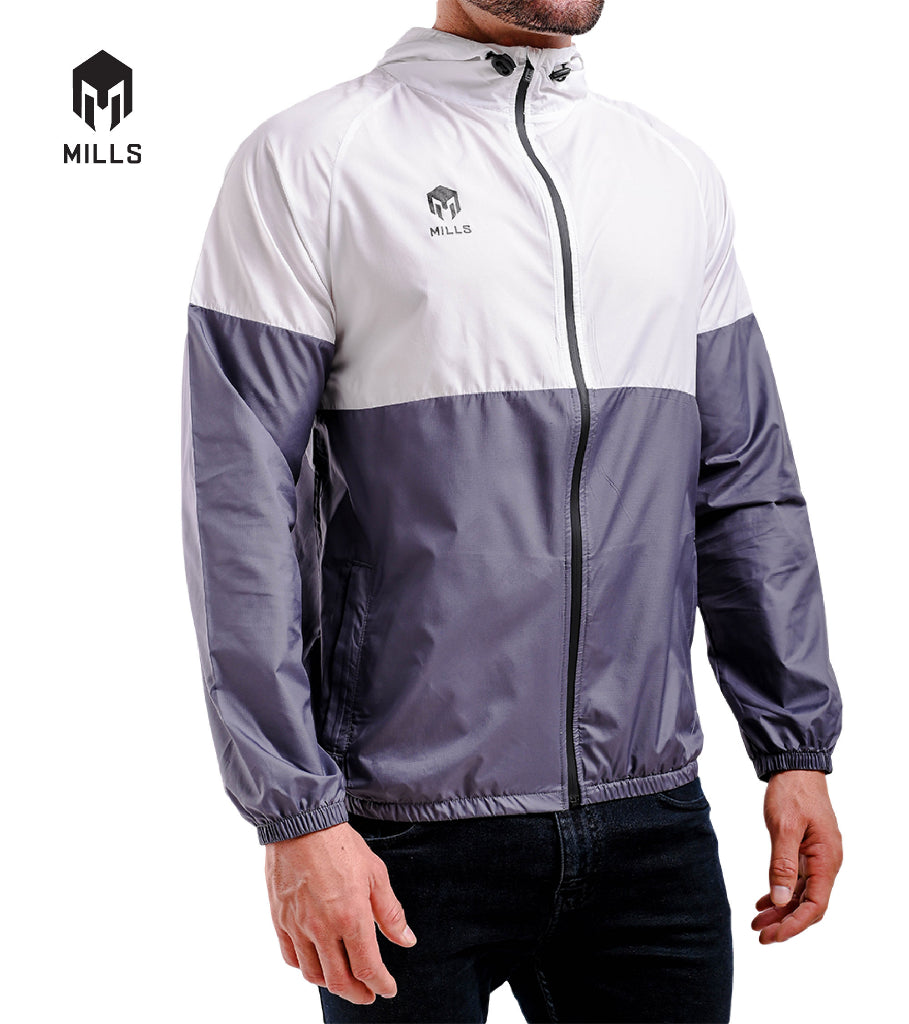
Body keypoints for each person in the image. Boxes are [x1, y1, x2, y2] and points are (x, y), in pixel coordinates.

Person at [179, 1, 844, 1020]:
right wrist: (295, 814)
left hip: (650, 821)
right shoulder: (311, 158)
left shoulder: (673, 175)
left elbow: (744, 479)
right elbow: (237, 507)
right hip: (397, 827)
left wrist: (794, 747)